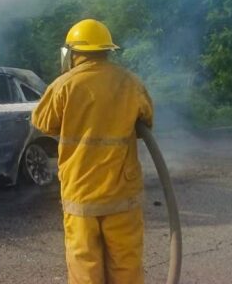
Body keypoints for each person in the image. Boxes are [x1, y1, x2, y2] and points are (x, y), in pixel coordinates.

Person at [32, 19, 154, 284]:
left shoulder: (63, 85)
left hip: (81, 192)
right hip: (122, 192)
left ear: (71, 53)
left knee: (85, 268)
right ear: (107, 50)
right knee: (126, 265)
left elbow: (42, 122)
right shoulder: (130, 83)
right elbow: (147, 119)